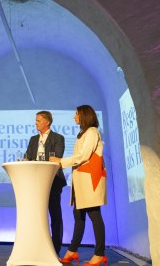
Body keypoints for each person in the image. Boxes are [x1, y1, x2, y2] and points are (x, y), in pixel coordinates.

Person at [50, 105, 107, 266]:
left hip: (90, 180)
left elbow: (83, 156)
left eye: (76, 114)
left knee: (94, 215)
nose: (74, 117)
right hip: (81, 181)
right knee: (78, 215)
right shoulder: (82, 134)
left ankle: (100, 253)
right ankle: (73, 250)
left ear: (84, 115)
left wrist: (61, 162)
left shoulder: (92, 132)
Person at [24, 110, 66, 256]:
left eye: (38, 120)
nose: (35, 123)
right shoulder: (33, 139)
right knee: (36, 214)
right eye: (36, 120)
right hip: (35, 182)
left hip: (53, 181)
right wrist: (26, 161)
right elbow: (27, 157)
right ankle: (37, 246)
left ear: (47, 122)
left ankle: (55, 249)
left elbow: (57, 158)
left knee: (55, 214)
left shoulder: (58, 138)